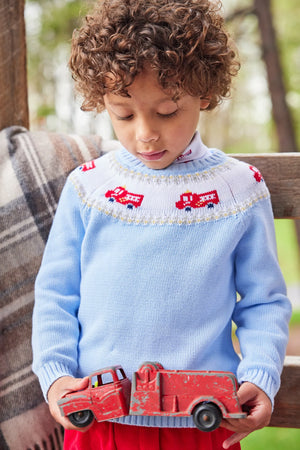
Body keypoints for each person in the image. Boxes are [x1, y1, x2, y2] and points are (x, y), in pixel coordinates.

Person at [32, 1, 292, 449]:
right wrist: (55, 379)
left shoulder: (239, 189)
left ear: (204, 94)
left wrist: (261, 377)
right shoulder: (89, 187)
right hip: (100, 421)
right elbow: (56, 295)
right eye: (124, 114)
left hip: (201, 423)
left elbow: (264, 302)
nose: (145, 133)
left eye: (168, 111)